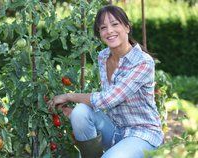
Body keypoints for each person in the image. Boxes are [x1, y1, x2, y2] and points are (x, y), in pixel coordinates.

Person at [48, 5, 164, 158]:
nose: (109, 31)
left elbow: (108, 99)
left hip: (143, 134)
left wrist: (68, 96)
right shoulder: (103, 57)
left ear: (127, 27)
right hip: (115, 130)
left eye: (115, 24)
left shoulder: (143, 62)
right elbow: (104, 101)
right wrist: (75, 115)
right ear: (99, 33)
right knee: (80, 112)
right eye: (103, 27)